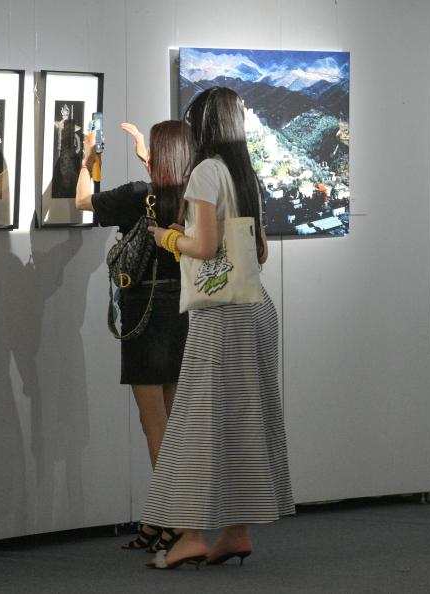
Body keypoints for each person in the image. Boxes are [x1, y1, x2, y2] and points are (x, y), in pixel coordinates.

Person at [143, 87, 294, 569]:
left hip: (220, 317)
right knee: (243, 423)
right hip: (255, 309)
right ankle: (235, 531)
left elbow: (205, 248)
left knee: (196, 424)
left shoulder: (206, 172)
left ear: (203, 125)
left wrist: (167, 238)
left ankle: (191, 535)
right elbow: (259, 250)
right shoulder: (244, 174)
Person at [75, 120, 193, 552]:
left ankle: (174, 520)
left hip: (143, 310)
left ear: (156, 157)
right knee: (170, 422)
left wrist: (87, 158)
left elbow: (83, 200)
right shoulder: (189, 198)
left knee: (153, 423)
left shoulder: (136, 195)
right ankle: (159, 519)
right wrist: (151, 157)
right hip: (180, 309)